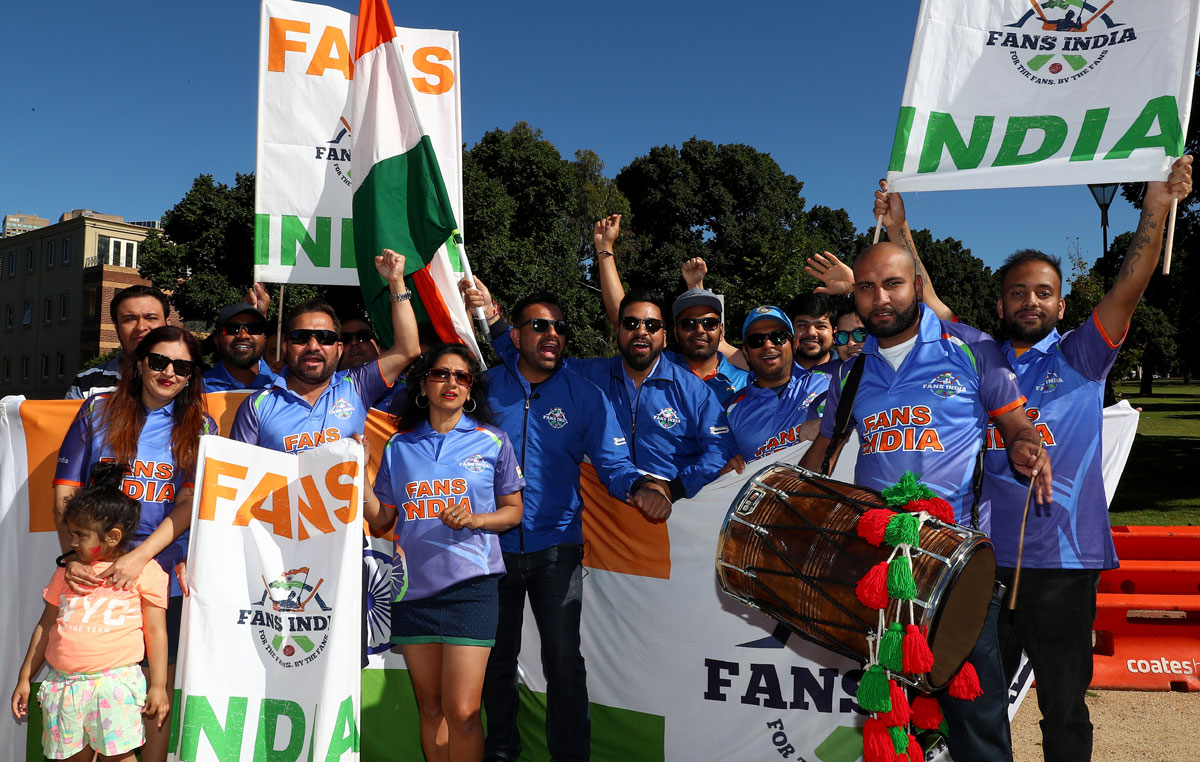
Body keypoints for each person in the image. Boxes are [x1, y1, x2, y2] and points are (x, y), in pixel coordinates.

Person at [799, 241, 1051, 762]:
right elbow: (821, 457)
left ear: (917, 285)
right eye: (866, 287)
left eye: (892, 284)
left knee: (975, 718)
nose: (879, 298)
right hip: (880, 569)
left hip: (956, 564)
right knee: (892, 716)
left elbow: (1016, 424)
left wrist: (1027, 446)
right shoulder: (849, 372)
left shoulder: (973, 349)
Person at [985, 155, 1192, 762]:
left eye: (1043, 292)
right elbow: (929, 304)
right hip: (982, 561)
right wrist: (898, 229)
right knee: (976, 702)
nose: (1030, 301)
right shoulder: (979, 361)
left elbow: (1130, 282)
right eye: (1018, 292)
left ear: (1062, 304)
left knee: (1064, 707)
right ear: (1000, 305)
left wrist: (1155, 205)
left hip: (1064, 561)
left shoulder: (1081, 356)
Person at [455, 287, 672, 762]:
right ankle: (502, 751)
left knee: (565, 665)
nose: (552, 335)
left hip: (557, 550)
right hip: (489, 549)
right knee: (495, 662)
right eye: (539, 326)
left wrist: (641, 489)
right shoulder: (484, 388)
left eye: (559, 327)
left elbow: (614, 464)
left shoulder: (586, 395)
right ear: (515, 335)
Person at [52, 326, 215, 762]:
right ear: (139, 362)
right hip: (91, 575)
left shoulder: (202, 425)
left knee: (153, 690)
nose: (169, 372)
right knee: (89, 684)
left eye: (182, 366)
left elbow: (187, 502)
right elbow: (66, 490)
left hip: (162, 578)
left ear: (191, 375)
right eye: (159, 361)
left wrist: (140, 558)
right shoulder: (97, 411)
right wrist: (72, 554)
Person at [365, 345, 525, 762]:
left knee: (464, 712)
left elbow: (513, 512)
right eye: (440, 374)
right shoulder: (399, 446)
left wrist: (476, 519)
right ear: (423, 385)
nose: (451, 382)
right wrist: (356, 479)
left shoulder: (493, 441)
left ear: (471, 388)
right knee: (431, 708)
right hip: (412, 590)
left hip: (472, 589)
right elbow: (382, 518)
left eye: (461, 376)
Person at [12, 463, 170, 762]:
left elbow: (156, 632)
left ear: (112, 536)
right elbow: (46, 626)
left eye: (80, 535)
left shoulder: (146, 572)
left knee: (120, 758)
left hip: (115, 686)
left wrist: (159, 686)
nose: (72, 543)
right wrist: (24, 677)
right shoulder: (67, 574)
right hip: (64, 688)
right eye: (71, 533)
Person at [229, 250, 419, 452]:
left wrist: (396, 281)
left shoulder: (356, 386)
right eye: (301, 337)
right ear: (285, 347)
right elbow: (237, 477)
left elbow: (408, 349)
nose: (313, 346)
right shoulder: (256, 406)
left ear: (339, 349)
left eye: (325, 338)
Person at [594, 214, 749, 406]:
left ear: (721, 329)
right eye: (688, 324)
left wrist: (696, 286)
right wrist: (604, 250)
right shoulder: (662, 367)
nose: (699, 330)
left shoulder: (746, 380)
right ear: (674, 332)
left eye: (709, 323)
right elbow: (624, 318)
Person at [723, 306, 831, 465]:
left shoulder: (827, 384)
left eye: (778, 337)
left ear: (794, 344)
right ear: (745, 351)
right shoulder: (730, 409)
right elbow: (717, 460)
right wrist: (724, 467)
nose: (768, 345)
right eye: (756, 341)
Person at [66, 285, 170, 399]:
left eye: (151, 318)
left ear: (167, 323)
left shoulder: (186, 379)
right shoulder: (86, 384)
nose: (141, 327)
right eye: (130, 319)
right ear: (116, 326)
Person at [202, 302, 276, 392]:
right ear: (217, 339)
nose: (243, 335)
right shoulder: (196, 390)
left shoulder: (281, 389)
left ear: (265, 339)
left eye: (253, 328)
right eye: (232, 329)